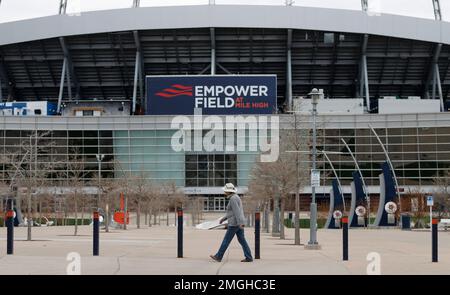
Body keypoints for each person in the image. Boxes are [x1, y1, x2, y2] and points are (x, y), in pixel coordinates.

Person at [210, 183, 253, 263]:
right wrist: (224, 218)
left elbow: (237, 212)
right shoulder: (236, 197)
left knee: (226, 240)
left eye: (225, 191)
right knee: (242, 240)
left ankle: (218, 256)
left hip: (234, 224)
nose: (224, 192)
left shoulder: (233, 199)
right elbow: (233, 212)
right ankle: (249, 257)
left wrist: (240, 223)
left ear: (228, 191)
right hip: (238, 223)